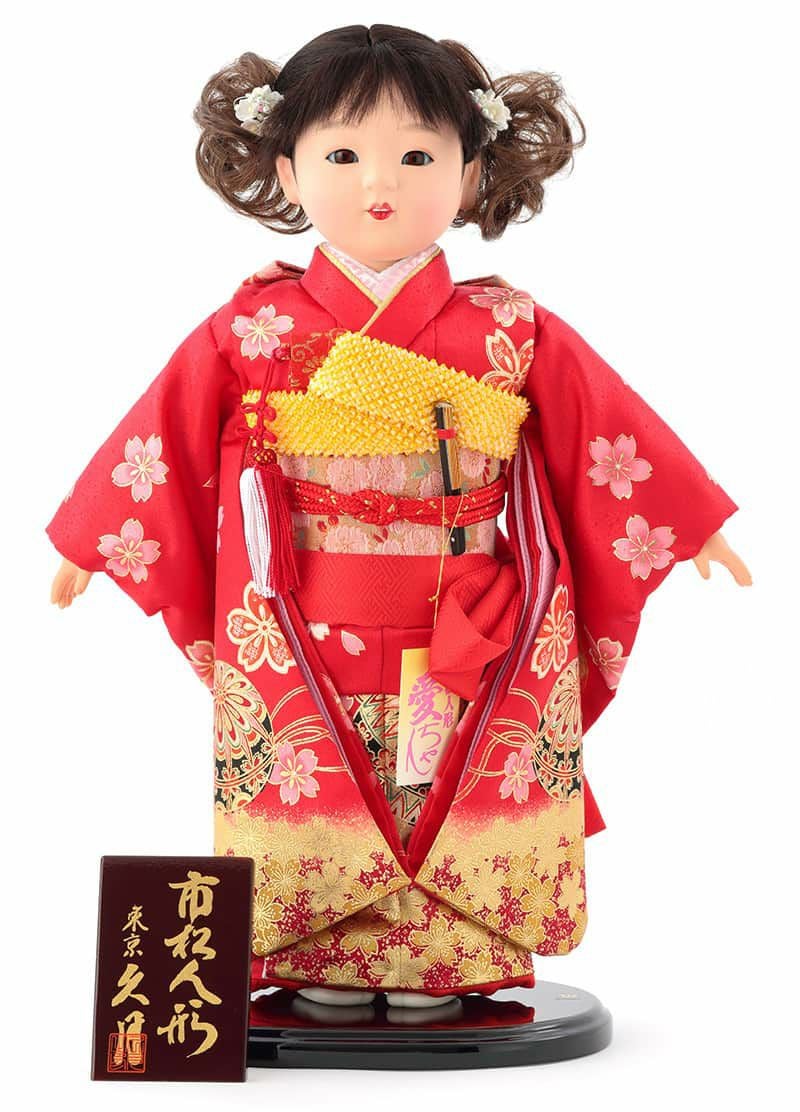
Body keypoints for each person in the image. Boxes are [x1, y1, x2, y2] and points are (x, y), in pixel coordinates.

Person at [48, 25, 751, 1011]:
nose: (379, 180)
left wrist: (686, 517)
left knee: (439, 787)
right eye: (342, 154)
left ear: (470, 174)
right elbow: (161, 431)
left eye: (417, 156)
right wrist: (94, 536)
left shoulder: (509, 326)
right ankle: (314, 965)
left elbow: (602, 428)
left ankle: (442, 969)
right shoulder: (255, 326)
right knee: (315, 776)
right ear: (286, 171)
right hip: (301, 617)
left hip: (463, 616)